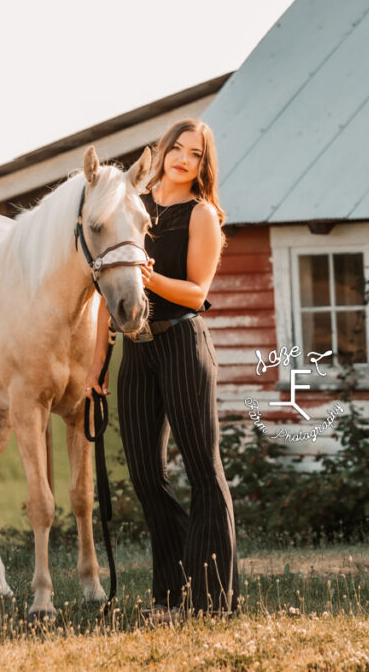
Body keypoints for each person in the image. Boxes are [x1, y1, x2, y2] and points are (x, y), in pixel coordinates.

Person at [84, 118, 240, 617]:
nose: (183, 159)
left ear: (202, 165)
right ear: (164, 149)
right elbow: (110, 288)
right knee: (147, 475)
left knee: (203, 471)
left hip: (182, 346)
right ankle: (171, 595)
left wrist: (151, 278)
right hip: (138, 349)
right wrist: (98, 365)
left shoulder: (203, 216)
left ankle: (212, 599)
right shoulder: (137, 206)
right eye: (178, 147)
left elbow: (197, 293)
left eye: (195, 154)